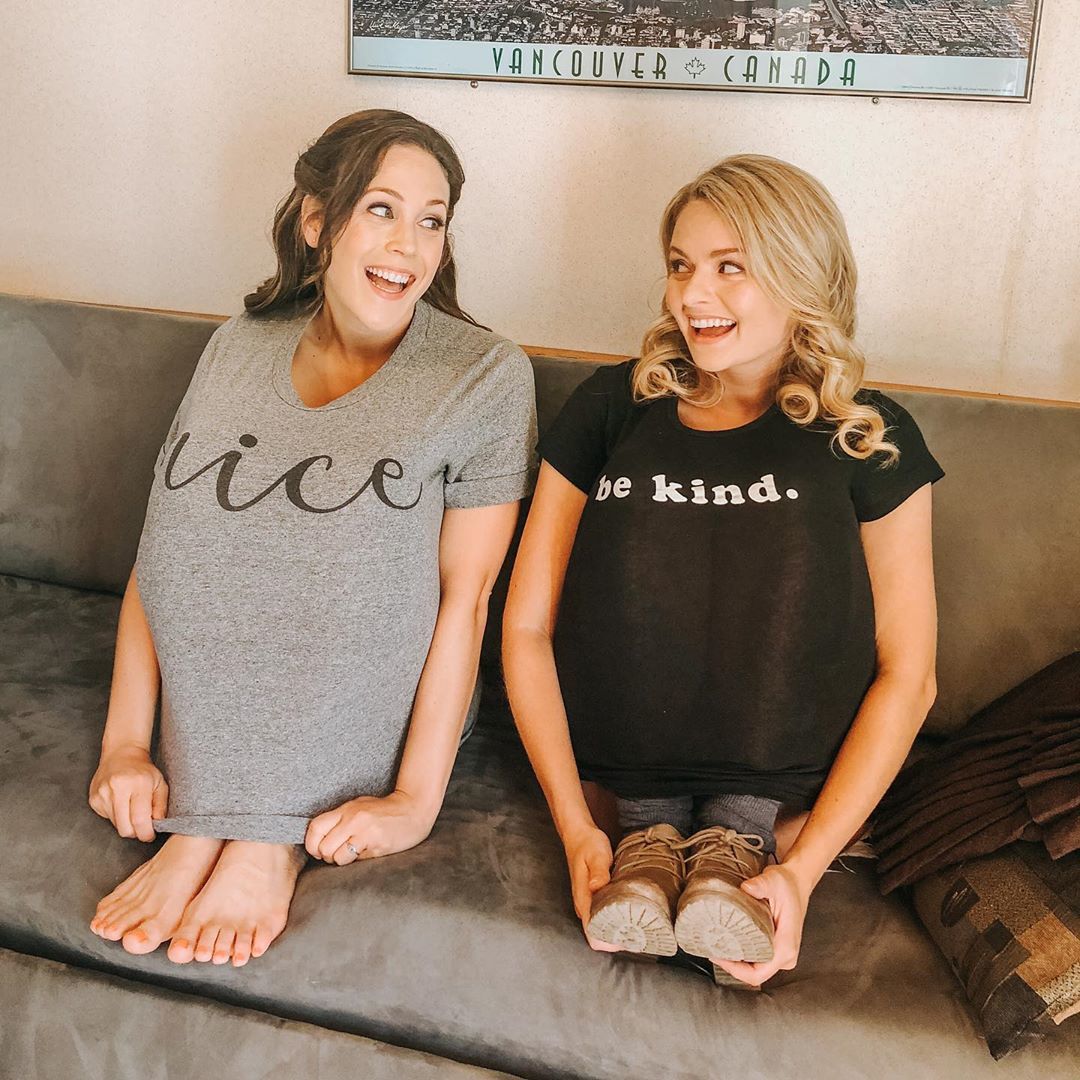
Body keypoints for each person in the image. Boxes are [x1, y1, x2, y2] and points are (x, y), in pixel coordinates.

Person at [88, 109, 536, 967]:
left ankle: (259, 840)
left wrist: (415, 803)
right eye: (380, 208)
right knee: (208, 554)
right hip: (211, 683)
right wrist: (125, 747)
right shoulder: (237, 345)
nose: (407, 244)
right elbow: (165, 557)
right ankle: (210, 828)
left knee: (352, 575)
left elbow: (466, 601)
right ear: (316, 220)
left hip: (362, 684)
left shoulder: (483, 375)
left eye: (432, 220)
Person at [503, 155, 942, 987]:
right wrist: (573, 829)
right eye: (680, 265)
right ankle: (650, 843)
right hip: (614, 790)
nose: (691, 296)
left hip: (786, 800)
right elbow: (526, 627)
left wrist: (800, 874)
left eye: (729, 267)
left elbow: (909, 676)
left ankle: (733, 847)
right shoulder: (612, 407)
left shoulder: (866, 434)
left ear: (801, 274)